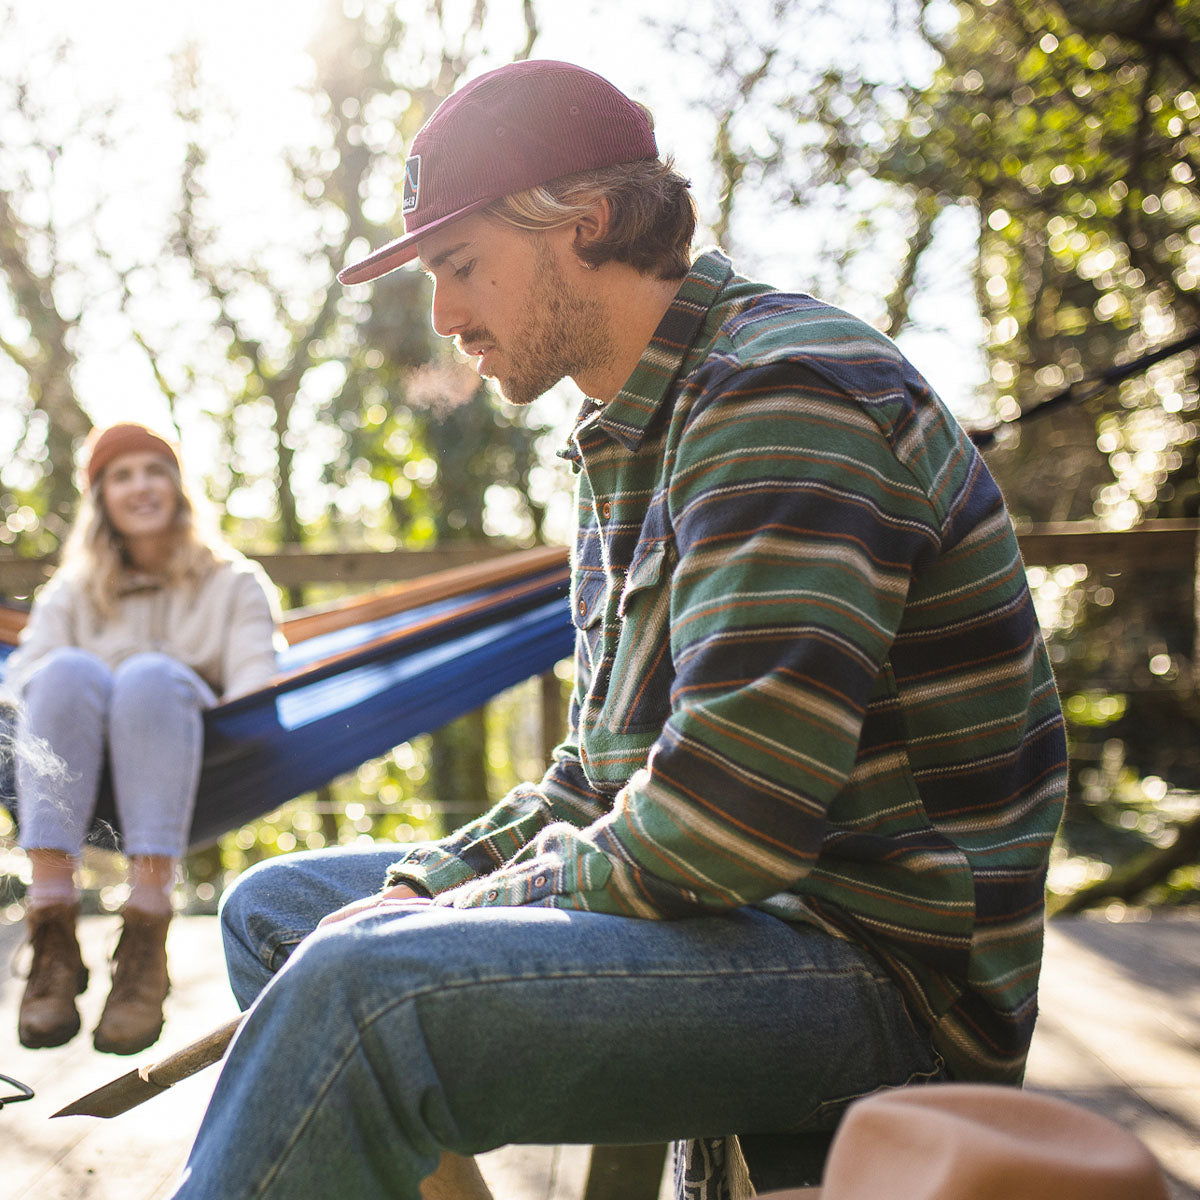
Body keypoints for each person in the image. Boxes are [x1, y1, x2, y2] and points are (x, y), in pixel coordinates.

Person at [170, 60, 1068, 1199]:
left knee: (364, 987)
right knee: (281, 914)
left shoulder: (779, 396)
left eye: (460, 267)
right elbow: (596, 780)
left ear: (582, 225)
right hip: (749, 920)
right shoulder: (631, 431)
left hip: (877, 970)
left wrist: (427, 925)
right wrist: (422, 886)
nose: (445, 319)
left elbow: (720, 827)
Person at [7, 421, 282, 1056]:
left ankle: (146, 935)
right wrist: (97, 706)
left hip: (192, 761)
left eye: (154, 470)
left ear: (179, 486)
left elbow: (256, 693)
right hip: (72, 762)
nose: (140, 487)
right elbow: (21, 684)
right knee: (65, 671)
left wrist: (160, 693)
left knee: (153, 677)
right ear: (101, 498)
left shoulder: (234, 582)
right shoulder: (71, 592)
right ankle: (51, 928)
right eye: (122, 476)